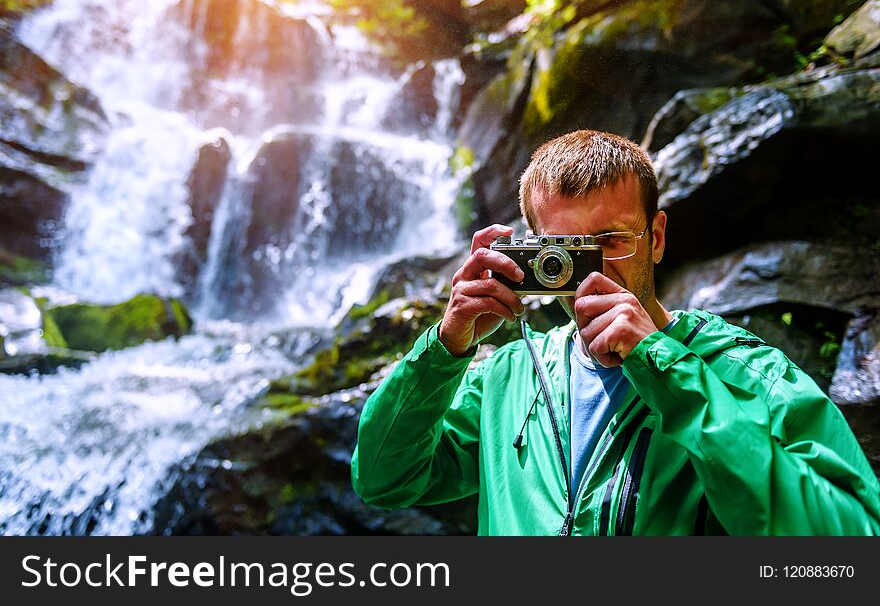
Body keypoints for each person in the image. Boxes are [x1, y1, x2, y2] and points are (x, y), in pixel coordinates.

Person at [351, 129, 880, 535]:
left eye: (611, 239)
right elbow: (383, 478)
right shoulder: (506, 378)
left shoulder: (743, 373)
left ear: (656, 237)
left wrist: (663, 368)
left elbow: (848, 536)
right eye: (567, 252)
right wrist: (444, 348)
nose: (594, 269)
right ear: (534, 256)